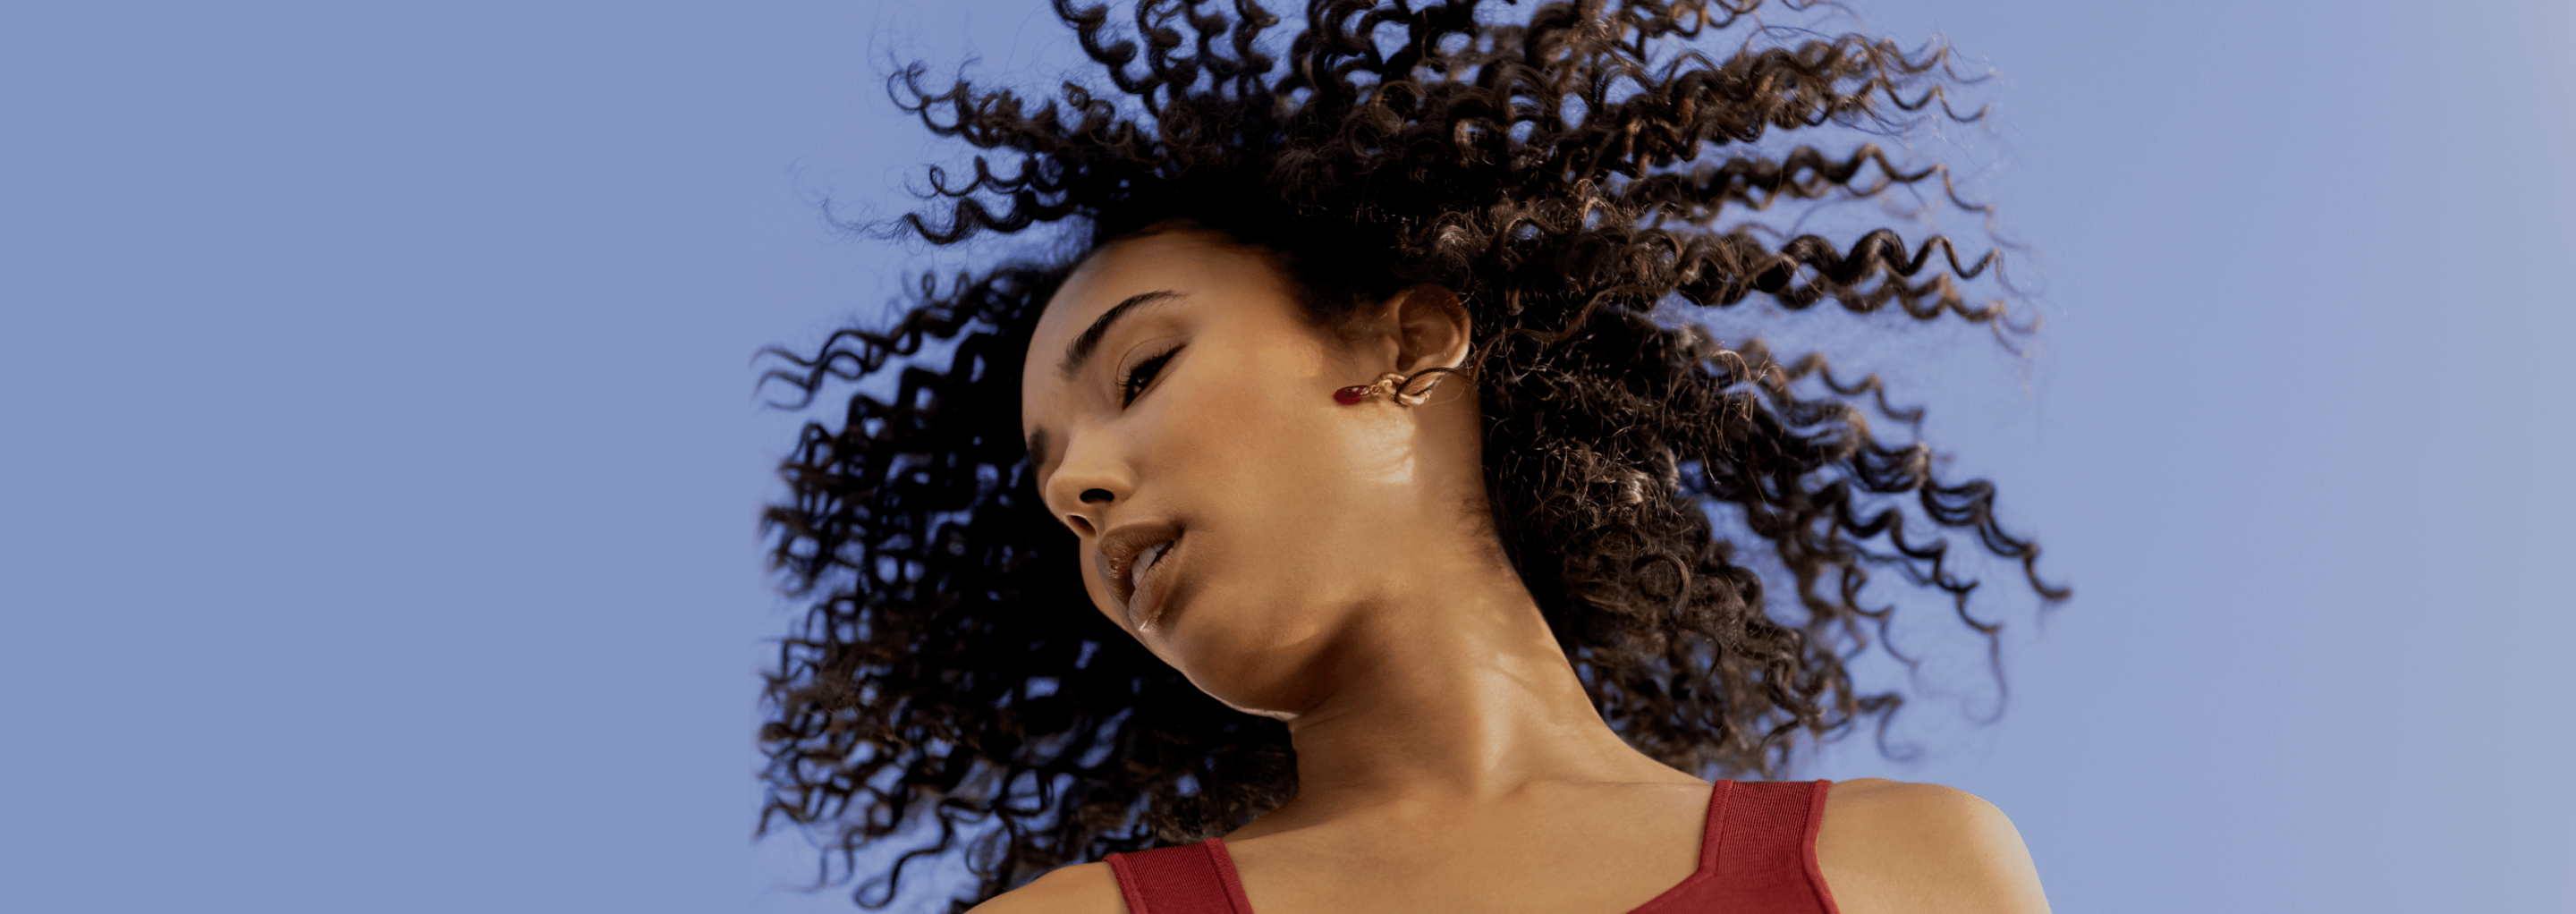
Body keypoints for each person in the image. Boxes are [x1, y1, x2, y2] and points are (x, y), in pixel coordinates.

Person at [757, 1, 2065, 911]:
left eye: (1141, 372)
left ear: (1414, 343)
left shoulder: (1904, 874)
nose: (1073, 487)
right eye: (1054, 478)